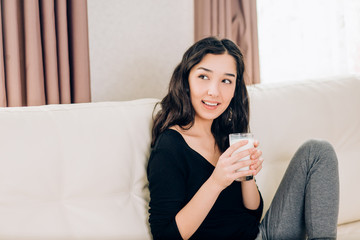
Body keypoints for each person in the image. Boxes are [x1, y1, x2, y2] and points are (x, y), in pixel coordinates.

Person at [147, 36, 339, 240]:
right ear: (186, 80)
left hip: (261, 235)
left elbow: (253, 214)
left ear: (234, 90)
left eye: (226, 81)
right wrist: (216, 182)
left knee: (317, 151)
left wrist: (248, 177)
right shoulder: (170, 146)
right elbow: (166, 236)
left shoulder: (226, 135)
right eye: (204, 77)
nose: (214, 91)